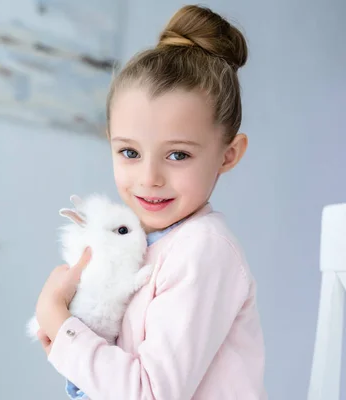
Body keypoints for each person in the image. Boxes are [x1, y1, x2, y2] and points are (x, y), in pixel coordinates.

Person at [33, 4, 267, 399]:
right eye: (129, 152)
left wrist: (57, 319)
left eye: (178, 155)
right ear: (110, 140)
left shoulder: (203, 249)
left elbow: (150, 393)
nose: (149, 178)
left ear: (228, 154)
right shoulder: (144, 242)